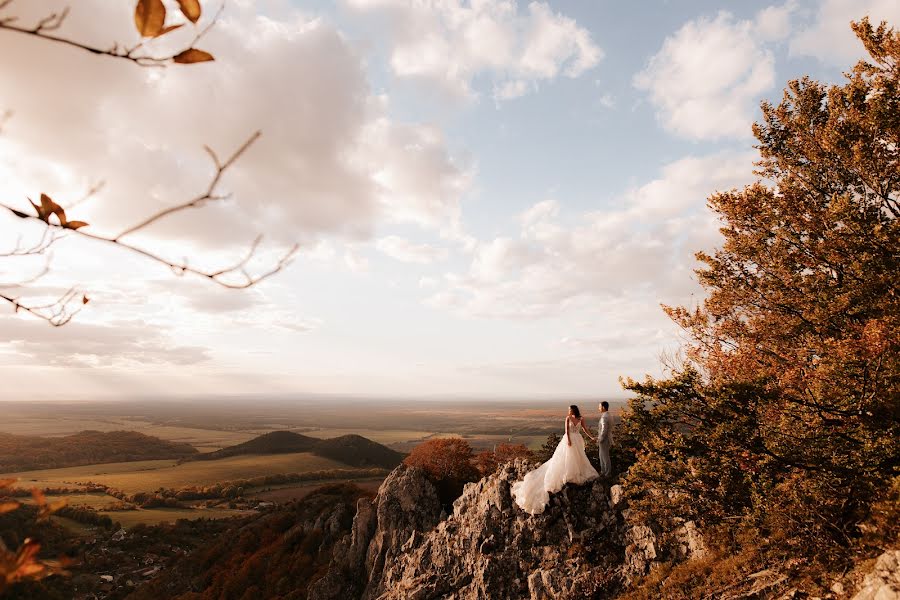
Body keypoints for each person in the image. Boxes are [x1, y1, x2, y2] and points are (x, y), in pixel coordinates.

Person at [511, 405, 599, 515]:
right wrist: (568, 441)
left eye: (570, 409)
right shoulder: (568, 418)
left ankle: (577, 472)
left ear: (573, 410)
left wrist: (591, 437)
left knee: (579, 457)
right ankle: (568, 473)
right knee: (567, 457)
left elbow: (585, 429)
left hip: (577, 439)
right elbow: (566, 431)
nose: (568, 411)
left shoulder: (581, 419)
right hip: (569, 439)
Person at [597, 401, 613, 477]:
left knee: (604, 456)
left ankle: (607, 473)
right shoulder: (609, 415)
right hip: (607, 438)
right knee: (603, 455)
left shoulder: (604, 417)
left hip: (604, 439)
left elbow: (604, 430)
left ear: (603, 407)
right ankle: (604, 471)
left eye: (599, 407)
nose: (599, 408)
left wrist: (600, 439)